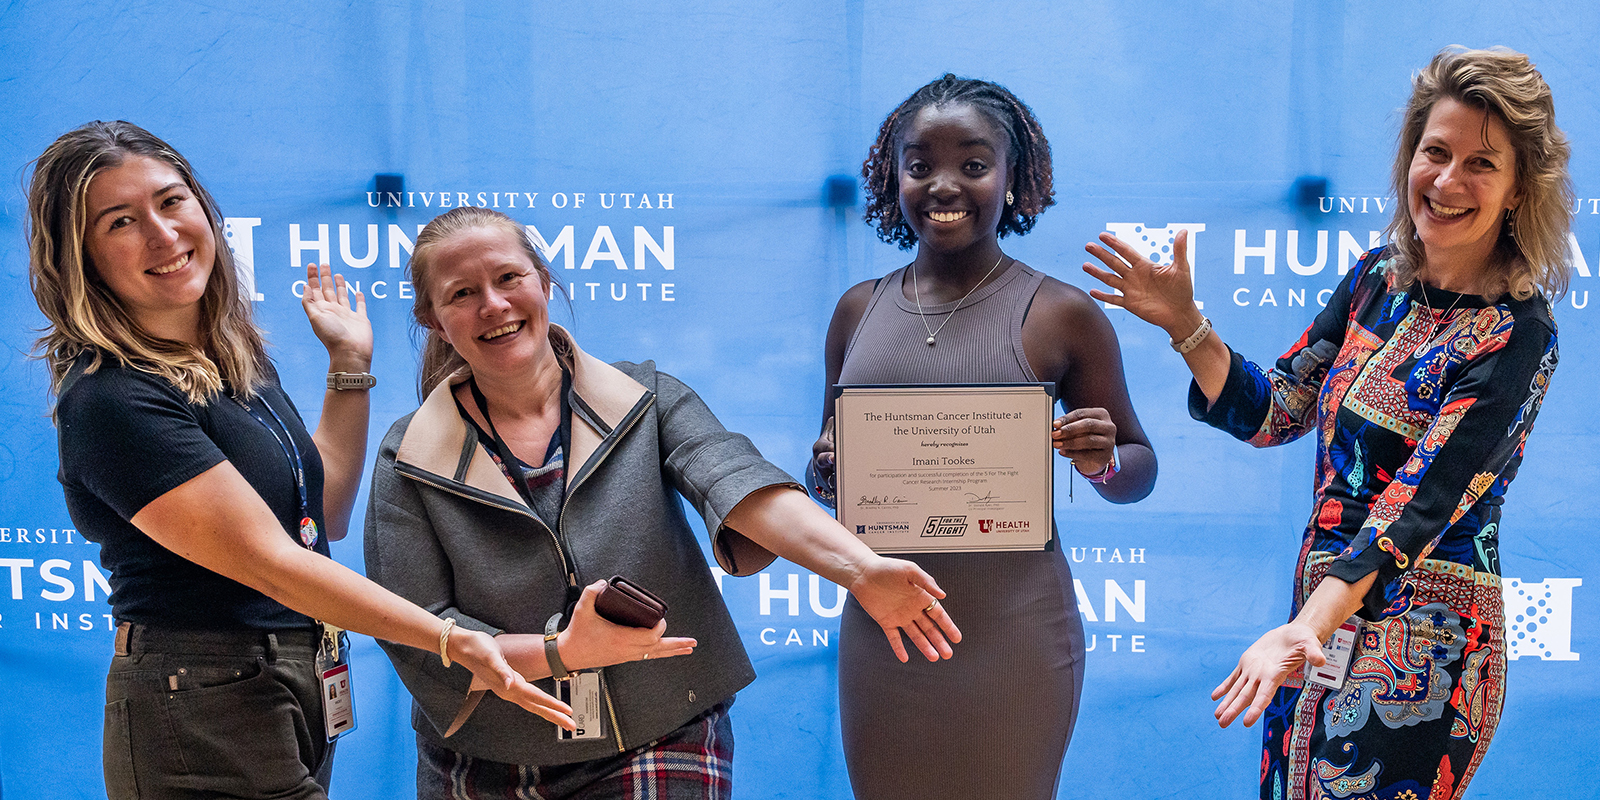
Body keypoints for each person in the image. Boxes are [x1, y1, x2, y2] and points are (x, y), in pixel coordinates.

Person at [27, 121, 571, 800]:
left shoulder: (231, 362)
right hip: (200, 698)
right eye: (121, 222)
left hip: (287, 682)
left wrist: (349, 365)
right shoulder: (113, 397)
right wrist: (453, 640)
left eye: (171, 202)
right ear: (82, 256)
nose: (163, 235)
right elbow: (275, 565)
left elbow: (322, 517)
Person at [1083, 46, 1569, 799]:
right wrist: (1187, 326)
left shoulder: (1517, 332)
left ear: (1517, 191)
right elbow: (1278, 409)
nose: (1446, 181)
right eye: (1434, 152)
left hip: (1423, 649)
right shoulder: (1379, 277)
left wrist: (1309, 625)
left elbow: (1417, 509)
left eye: (1481, 164)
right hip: (1312, 628)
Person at [364, 205, 961, 799]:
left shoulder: (648, 398)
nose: (493, 305)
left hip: (662, 732)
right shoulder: (405, 455)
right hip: (486, 758)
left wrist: (859, 568)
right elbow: (420, 631)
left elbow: (736, 480)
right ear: (435, 320)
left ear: (544, 283)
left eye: (508, 278)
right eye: (462, 293)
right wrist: (560, 653)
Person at [808, 74, 1158, 800]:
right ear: (891, 176)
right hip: (886, 635)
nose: (944, 185)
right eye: (919, 165)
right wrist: (824, 474)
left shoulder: (1061, 313)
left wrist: (1101, 463)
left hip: (1017, 636)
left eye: (973, 165)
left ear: (1013, 178)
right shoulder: (854, 312)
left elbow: (1138, 468)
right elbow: (825, 475)